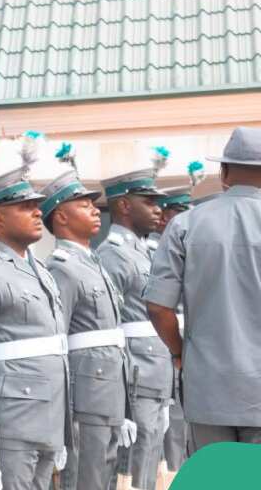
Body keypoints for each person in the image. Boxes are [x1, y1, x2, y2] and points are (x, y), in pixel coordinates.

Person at [145, 127, 261, 453]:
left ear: (223, 171)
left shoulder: (184, 226)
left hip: (207, 390)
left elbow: (158, 307)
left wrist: (180, 354)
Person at [0, 166, 70, 490]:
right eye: (25, 207)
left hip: (49, 412)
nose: (38, 212)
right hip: (14, 417)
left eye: (36, 205)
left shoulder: (38, 268)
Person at [39, 170, 135, 490]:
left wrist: (125, 406)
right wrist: (61, 420)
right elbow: (58, 343)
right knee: (86, 481)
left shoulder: (92, 263)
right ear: (62, 216)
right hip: (85, 397)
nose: (96, 210)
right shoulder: (61, 267)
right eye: (84, 205)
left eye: (94, 205)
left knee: (104, 479)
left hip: (108, 393)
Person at [95, 166, 167, 490]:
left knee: (147, 470)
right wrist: (120, 398)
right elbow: (110, 327)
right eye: (149, 202)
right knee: (130, 474)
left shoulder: (142, 252)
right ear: (124, 206)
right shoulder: (112, 256)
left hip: (154, 377)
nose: (158, 209)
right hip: (134, 378)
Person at [149, 184, 192, 480]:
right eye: (179, 215)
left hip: (180, 345)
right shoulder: (152, 252)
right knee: (167, 433)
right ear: (166, 220)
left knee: (181, 425)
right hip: (158, 350)